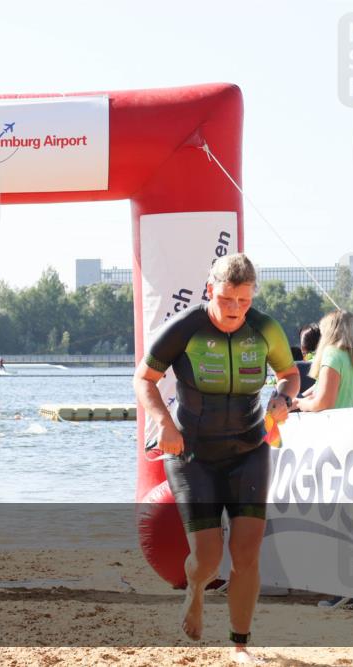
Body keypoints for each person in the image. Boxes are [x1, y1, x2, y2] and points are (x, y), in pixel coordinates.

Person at [133, 253, 300, 664]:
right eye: (226, 299)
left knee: (246, 554)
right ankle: (194, 591)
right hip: (192, 454)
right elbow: (144, 378)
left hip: (249, 451)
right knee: (207, 557)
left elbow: (290, 374)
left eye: (244, 301)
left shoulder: (265, 328)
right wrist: (164, 423)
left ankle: (240, 644)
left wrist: (283, 397)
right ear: (210, 290)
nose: (235, 309)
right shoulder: (186, 327)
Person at [289, 312, 353, 609]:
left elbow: (323, 402)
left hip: (334, 443)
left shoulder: (332, 355)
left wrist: (298, 403)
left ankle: (345, 590)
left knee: (335, 518)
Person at [291, 311, 353, 413]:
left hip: (336, 421)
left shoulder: (332, 353)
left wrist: (301, 404)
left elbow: (324, 403)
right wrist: (300, 400)